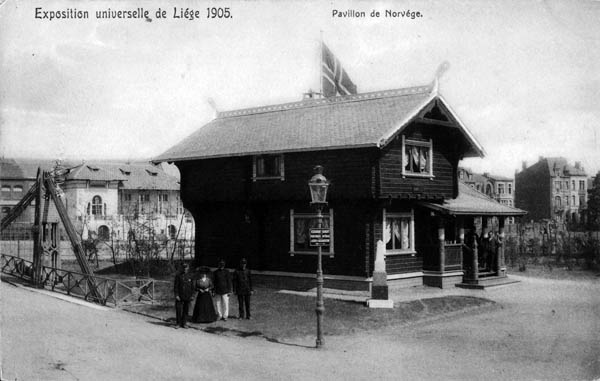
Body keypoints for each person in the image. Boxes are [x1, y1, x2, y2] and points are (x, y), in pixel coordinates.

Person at [173, 263, 195, 328]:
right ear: (182, 268)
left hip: (187, 295)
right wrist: (176, 295)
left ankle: (184, 323)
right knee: (178, 310)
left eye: (186, 268)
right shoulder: (178, 276)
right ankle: (178, 323)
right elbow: (175, 286)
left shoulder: (190, 276)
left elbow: (192, 287)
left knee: (186, 310)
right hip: (179, 296)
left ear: (188, 268)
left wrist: (193, 295)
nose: (185, 269)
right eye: (184, 268)